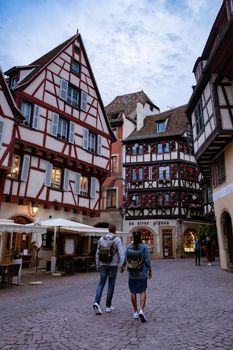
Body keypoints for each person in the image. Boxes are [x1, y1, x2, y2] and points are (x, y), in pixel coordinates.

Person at [93, 224, 124, 315]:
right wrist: (123, 264)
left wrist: (97, 264)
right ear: (114, 230)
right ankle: (108, 306)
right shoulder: (117, 239)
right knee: (111, 284)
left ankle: (96, 302)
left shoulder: (101, 239)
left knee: (101, 283)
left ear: (108, 229)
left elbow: (97, 253)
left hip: (103, 264)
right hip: (113, 265)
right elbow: (121, 253)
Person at [121, 231, 152, 322]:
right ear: (140, 237)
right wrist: (150, 269)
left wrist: (123, 267)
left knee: (133, 291)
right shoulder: (144, 247)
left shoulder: (128, 247)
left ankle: (135, 311)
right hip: (142, 272)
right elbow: (146, 260)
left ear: (133, 237)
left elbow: (125, 259)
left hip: (132, 272)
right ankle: (141, 310)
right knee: (143, 291)